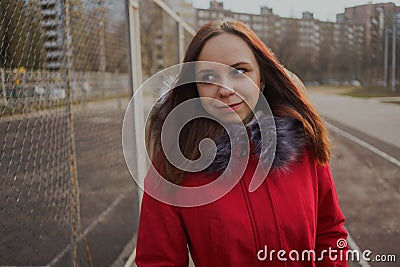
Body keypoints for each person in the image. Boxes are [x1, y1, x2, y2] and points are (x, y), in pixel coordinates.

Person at [135, 20, 348, 267]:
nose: (225, 89)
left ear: (262, 78)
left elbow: (330, 232)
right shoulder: (174, 164)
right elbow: (157, 261)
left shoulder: (302, 142)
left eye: (239, 71)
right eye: (209, 77)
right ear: (195, 89)